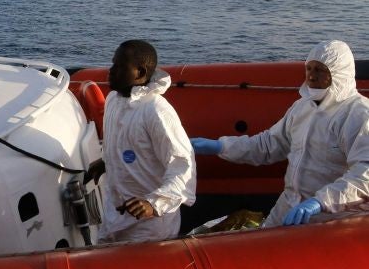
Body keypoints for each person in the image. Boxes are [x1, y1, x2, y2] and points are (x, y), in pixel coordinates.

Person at [191, 40, 369, 228]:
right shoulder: (302, 108)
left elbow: (365, 176)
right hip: (291, 204)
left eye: (320, 70)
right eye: (309, 68)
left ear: (339, 73)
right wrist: (221, 146)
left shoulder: (359, 115)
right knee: (259, 246)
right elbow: (269, 144)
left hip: (333, 216)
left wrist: (321, 202)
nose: (311, 76)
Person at [88, 40, 196, 243]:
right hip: (115, 215)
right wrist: (106, 161)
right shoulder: (113, 100)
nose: (110, 71)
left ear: (139, 72)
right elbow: (123, 144)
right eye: (112, 64)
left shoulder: (156, 111)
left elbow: (183, 167)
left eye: (119, 66)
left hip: (149, 226)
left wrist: (154, 204)